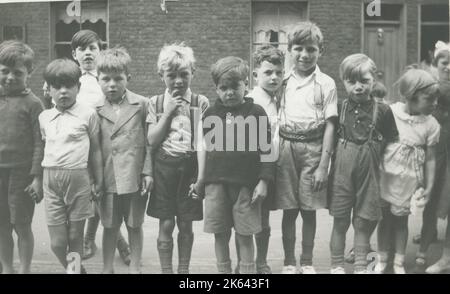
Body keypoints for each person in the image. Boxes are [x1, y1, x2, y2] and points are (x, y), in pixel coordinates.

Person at [197, 56, 275, 274]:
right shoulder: (210, 114)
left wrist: (264, 181)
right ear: (216, 88)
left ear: (246, 84)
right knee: (220, 234)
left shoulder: (256, 112)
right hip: (215, 187)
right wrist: (200, 181)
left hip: (246, 187)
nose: (229, 92)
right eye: (223, 88)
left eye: (235, 86)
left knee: (245, 234)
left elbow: (267, 149)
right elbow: (203, 150)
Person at [275, 21, 338, 274]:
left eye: (311, 49)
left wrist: (324, 165)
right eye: (298, 48)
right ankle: (290, 262)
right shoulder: (281, 81)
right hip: (286, 149)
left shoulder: (326, 83)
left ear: (320, 51)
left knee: (309, 210)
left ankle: (308, 260)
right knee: (289, 210)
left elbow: (331, 126)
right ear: (289, 50)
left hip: (314, 150)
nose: (304, 55)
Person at [329, 53, 398, 274]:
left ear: (374, 80)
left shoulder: (384, 111)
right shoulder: (339, 108)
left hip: (371, 175)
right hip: (342, 174)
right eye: (351, 81)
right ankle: (337, 265)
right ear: (343, 81)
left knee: (364, 223)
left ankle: (363, 267)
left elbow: (392, 144)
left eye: (364, 81)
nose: (358, 87)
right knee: (340, 222)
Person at [65, 30, 131, 263]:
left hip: (104, 142)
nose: (88, 53)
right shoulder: (72, 79)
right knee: (92, 196)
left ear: (100, 51)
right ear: (74, 54)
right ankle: (113, 244)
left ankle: (94, 239)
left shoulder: (104, 77)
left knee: (101, 195)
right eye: (82, 49)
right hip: (81, 145)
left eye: (93, 48)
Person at [146, 43, 209, 274]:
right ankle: (166, 271)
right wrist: (169, 112)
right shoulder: (156, 103)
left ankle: (184, 271)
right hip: (164, 167)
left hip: (190, 168)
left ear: (194, 72)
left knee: (185, 223)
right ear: (160, 74)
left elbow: (203, 143)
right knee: (166, 222)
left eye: (184, 75)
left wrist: (202, 178)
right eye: (171, 76)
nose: (178, 81)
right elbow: (152, 141)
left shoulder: (200, 102)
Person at [39, 59, 103, 273]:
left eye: (69, 86)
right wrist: (37, 180)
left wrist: (98, 180)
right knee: (58, 242)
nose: (63, 92)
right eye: (57, 87)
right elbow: (42, 149)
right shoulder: (44, 117)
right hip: (51, 180)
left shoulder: (88, 114)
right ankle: (76, 269)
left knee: (75, 237)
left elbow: (95, 150)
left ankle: (74, 272)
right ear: (48, 89)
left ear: (79, 87)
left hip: (79, 180)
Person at [376, 69, 439, 274]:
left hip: (408, 180)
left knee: (401, 221)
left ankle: (399, 262)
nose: (434, 103)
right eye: (429, 99)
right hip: (386, 175)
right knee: (384, 220)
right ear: (411, 96)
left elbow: (430, 158)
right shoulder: (391, 113)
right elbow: (379, 144)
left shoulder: (431, 125)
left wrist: (428, 185)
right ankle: (382, 258)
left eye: (435, 99)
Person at [96, 48, 152, 274]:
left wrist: (148, 172)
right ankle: (107, 267)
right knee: (109, 227)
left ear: (128, 77)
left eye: (118, 78)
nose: (112, 84)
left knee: (134, 225)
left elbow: (150, 143)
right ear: (98, 79)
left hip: (134, 176)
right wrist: (94, 179)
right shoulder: (95, 109)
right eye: (106, 79)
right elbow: (92, 148)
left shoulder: (142, 104)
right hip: (107, 178)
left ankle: (135, 267)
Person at [235, 45, 283, 274]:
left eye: (278, 72)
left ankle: (261, 261)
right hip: (250, 172)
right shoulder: (250, 101)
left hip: (268, 168)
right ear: (255, 75)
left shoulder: (275, 100)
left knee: (263, 221)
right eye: (268, 72)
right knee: (244, 219)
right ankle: (243, 262)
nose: (274, 77)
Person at [0, 40, 44, 274]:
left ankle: (25, 269)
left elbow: (40, 144)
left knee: (22, 225)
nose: (9, 77)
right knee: (1, 226)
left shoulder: (34, 104)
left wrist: (37, 178)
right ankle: (7, 269)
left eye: (17, 73)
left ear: (30, 72)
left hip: (22, 175)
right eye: (4, 71)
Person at [415, 41, 450, 274]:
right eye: (444, 63)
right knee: (431, 193)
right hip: (435, 150)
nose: (448, 67)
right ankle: (426, 241)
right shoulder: (431, 87)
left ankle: (447, 255)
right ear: (436, 64)